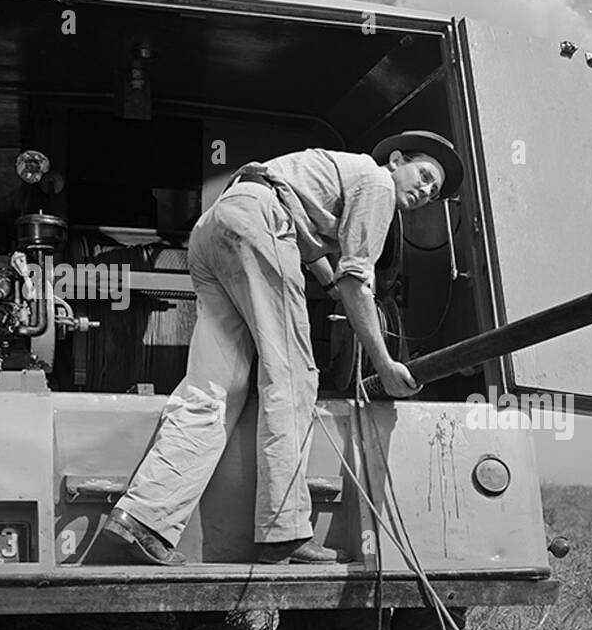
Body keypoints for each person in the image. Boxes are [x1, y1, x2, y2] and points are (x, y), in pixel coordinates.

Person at [104, 130, 464, 567]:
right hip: (262, 225)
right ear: (397, 160)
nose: (426, 190)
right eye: (424, 174)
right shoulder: (378, 183)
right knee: (292, 379)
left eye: (434, 192)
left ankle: (142, 518)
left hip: (218, 224)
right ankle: (282, 531)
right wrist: (385, 364)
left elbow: (311, 244)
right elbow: (358, 279)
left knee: (214, 391)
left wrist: (327, 280)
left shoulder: (336, 173)